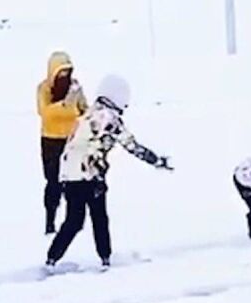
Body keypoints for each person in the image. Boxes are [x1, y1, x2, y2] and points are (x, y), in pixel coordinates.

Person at [46, 74, 172, 270]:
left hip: (70, 175)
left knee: (74, 221)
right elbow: (131, 145)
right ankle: (105, 258)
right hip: (89, 175)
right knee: (99, 218)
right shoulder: (109, 118)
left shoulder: (88, 114)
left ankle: (52, 258)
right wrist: (156, 160)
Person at [37, 51, 87, 234]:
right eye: (61, 73)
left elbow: (83, 110)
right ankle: (50, 221)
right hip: (50, 141)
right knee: (53, 182)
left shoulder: (75, 88)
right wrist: (65, 105)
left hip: (72, 141)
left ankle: (71, 222)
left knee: (72, 182)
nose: (65, 77)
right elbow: (46, 113)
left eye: (68, 72)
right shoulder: (43, 89)